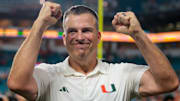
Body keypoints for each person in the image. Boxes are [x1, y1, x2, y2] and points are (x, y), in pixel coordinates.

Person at [7, 1, 179, 101]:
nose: (80, 37)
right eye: (72, 31)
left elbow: (168, 83)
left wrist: (138, 34)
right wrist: (39, 25)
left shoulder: (121, 73)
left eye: (86, 30)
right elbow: (16, 83)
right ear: (65, 39)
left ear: (98, 37)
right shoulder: (48, 74)